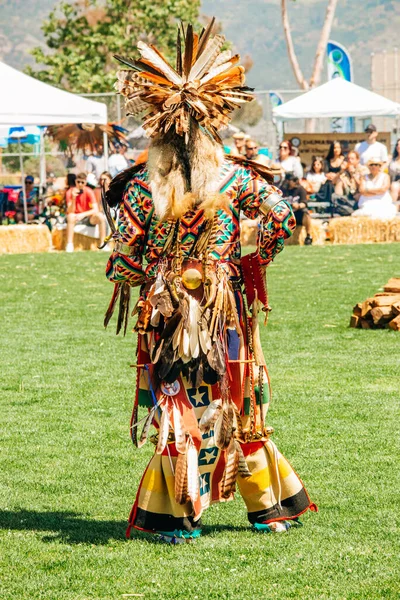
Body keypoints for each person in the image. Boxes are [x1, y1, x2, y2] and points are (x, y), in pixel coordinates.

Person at [104, 23, 316, 544]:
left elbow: (121, 265)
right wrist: (249, 261)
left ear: (160, 135)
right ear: (211, 131)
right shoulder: (235, 179)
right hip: (223, 308)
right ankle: (270, 507)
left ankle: (175, 515)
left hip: (171, 313)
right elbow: (283, 215)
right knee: (238, 400)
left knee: (179, 403)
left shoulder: (141, 191)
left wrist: (154, 268)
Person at [65, 172, 106, 252]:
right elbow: (70, 211)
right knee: (70, 216)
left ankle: (103, 243)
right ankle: (69, 244)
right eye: (78, 182)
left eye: (82, 182)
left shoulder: (89, 191)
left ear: (85, 183)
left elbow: (95, 209)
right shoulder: (69, 192)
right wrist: (73, 198)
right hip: (75, 217)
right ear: (75, 181)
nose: (80, 184)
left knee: (100, 216)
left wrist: (83, 214)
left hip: (87, 217)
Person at [283, 173, 313, 245]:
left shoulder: (300, 189)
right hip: (286, 215)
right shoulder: (282, 190)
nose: (295, 182)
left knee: (306, 214)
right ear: (287, 181)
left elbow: (304, 203)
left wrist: (298, 206)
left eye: (295, 180)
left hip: (297, 213)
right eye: (293, 180)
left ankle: (308, 236)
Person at [389, 138, 400, 204]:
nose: (399, 146)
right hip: (395, 182)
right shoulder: (392, 160)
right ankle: (393, 208)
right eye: (397, 145)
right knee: (394, 186)